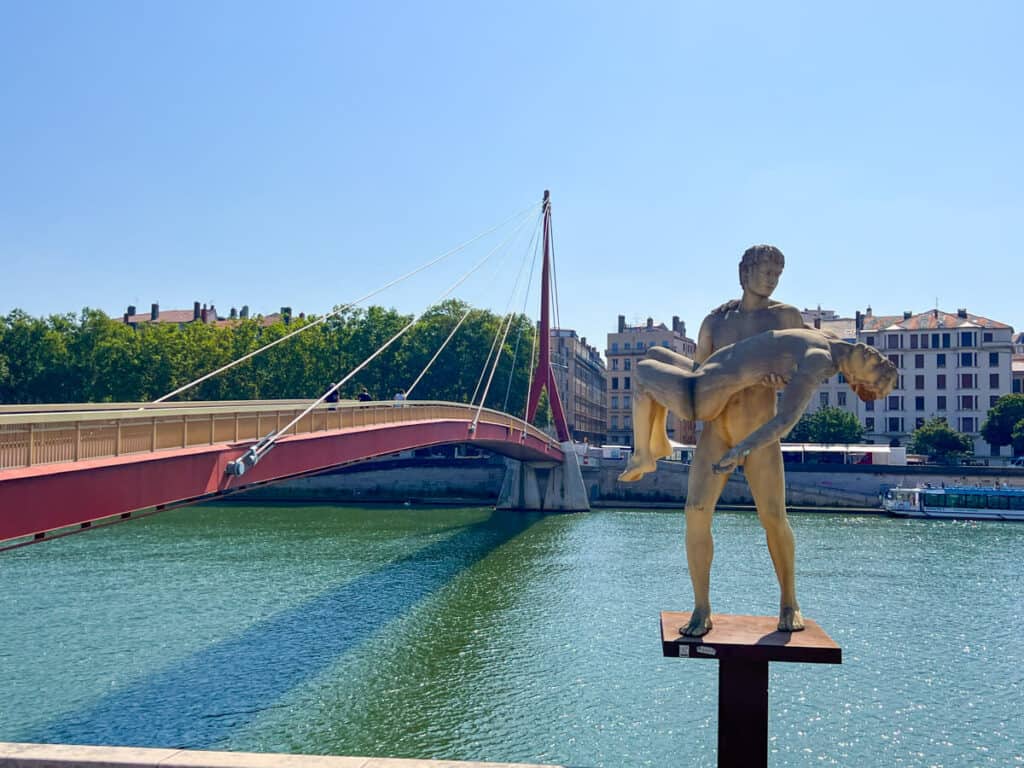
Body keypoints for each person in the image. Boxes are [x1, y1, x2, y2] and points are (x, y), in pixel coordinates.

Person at [631, 245, 803, 637]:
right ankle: (701, 606)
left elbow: (808, 365)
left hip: (759, 433)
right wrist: (682, 420)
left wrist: (785, 378)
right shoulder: (714, 323)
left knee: (773, 518)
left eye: (778, 272)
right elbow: (698, 380)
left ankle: (789, 600)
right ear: (745, 273)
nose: (772, 279)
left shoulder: (786, 317)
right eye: (765, 271)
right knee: (695, 512)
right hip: (718, 431)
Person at [618, 328, 897, 481]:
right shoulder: (831, 340)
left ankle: (643, 454)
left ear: (857, 382)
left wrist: (741, 450)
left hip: (703, 393)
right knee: (655, 352)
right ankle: (658, 443)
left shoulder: (819, 361)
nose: (875, 355)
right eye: (881, 359)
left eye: (876, 367)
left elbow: (784, 420)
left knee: (642, 372)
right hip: (705, 370)